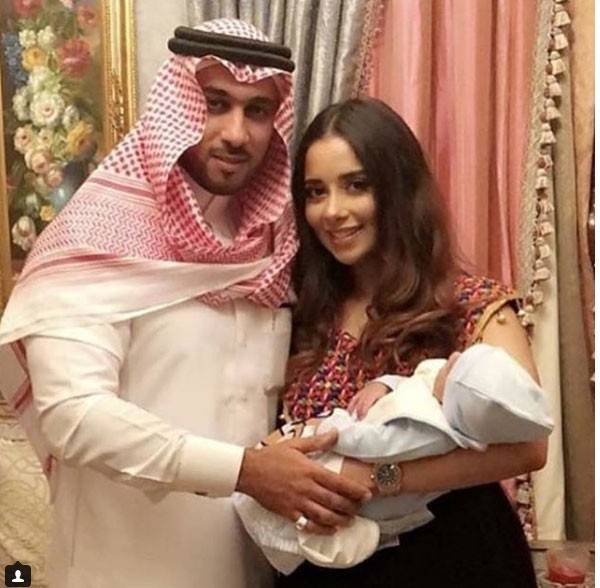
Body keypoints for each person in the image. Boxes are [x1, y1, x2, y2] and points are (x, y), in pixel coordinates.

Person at [0, 19, 370, 588]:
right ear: (176, 101)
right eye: (215, 103)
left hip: (253, 568)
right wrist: (244, 471)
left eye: (257, 111)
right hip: (121, 571)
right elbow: (74, 415)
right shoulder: (98, 236)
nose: (236, 133)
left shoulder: (277, 248)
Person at [276, 97, 547, 588]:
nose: (332, 211)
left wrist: (378, 479)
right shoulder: (300, 313)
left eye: (356, 185)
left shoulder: (471, 304)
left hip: (453, 558)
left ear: (398, 189)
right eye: (316, 192)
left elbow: (529, 448)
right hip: (326, 563)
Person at [235, 343, 553, 573]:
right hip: (313, 518)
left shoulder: (437, 425)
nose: (453, 358)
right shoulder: (306, 305)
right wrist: (382, 384)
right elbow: (416, 380)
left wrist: (371, 470)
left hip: (442, 552)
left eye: (456, 365)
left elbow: (530, 445)